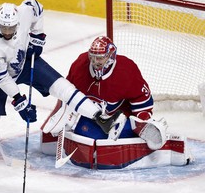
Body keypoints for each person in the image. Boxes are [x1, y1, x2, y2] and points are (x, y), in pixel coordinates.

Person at [0, 0, 114, 183]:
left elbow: (36, 6)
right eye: (4, 28)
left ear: (17, 22)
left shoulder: (24, 13)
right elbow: (2, 79)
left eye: (11, 28)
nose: (8, 33)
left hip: (24, 62)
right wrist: (19, 100)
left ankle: (97, 115)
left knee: (63, 87)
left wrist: (37, 36)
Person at [40, 36, 191, 169]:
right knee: (85, 131)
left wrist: (142, 120)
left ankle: (135, 128)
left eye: (100, 58)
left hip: (120, 116)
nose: (95, 62)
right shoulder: (80, 65)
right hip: (91, 118)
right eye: (92, 57)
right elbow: (67, 95)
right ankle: (116, 132)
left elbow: (142, 100)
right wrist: (58, 117)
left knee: (107, 134)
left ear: (111, 56)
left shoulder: (126, 69)